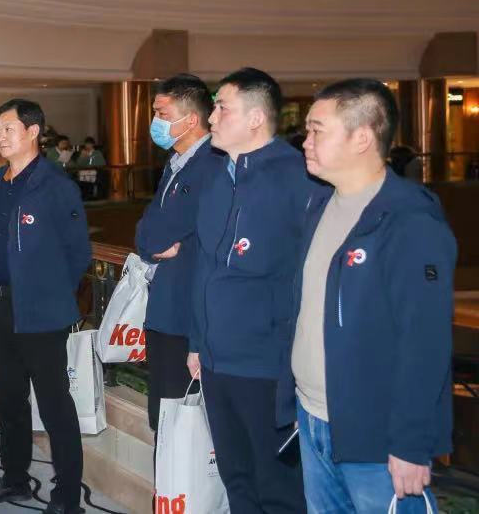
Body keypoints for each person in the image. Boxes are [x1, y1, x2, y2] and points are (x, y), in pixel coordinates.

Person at [285, 79, 455, 513]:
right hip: (313, 416)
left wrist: (411, 443)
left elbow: (425, 341)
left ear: (361, 138)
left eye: (317, 130)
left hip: (376, 435)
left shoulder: (408, 220)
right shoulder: (320, 205)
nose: (306, 141)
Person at [187, 67, 310, 513]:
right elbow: (205, 263)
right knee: (235, 478)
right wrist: (197, 341)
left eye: (222, 108)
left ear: (256, 118)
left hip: (266, 363)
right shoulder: (219, 176)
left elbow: (306, 277)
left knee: (275, 486)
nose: (212, 118)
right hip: (215, 360)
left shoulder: (297, 179)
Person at [0, 99, 91, 514]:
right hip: (1, 307)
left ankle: (68, 497)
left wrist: (50, 294)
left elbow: (77, 251)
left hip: (41, 313)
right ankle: (15, 479)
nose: (0, 137)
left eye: (8, 129)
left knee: (55, 406)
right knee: (10, 399)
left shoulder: (56, 185)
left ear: (33, 132)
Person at [133, 74, 219, 432]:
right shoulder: (175, 163)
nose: (155, 121)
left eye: (162, 114)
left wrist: (151, 241)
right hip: (166, 309)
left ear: (191, 119)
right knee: (163, 417)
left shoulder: (211, 166)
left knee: (182, 425)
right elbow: (146, 233)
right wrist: (149, 244)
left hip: (188, 314)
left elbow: (161, 232)